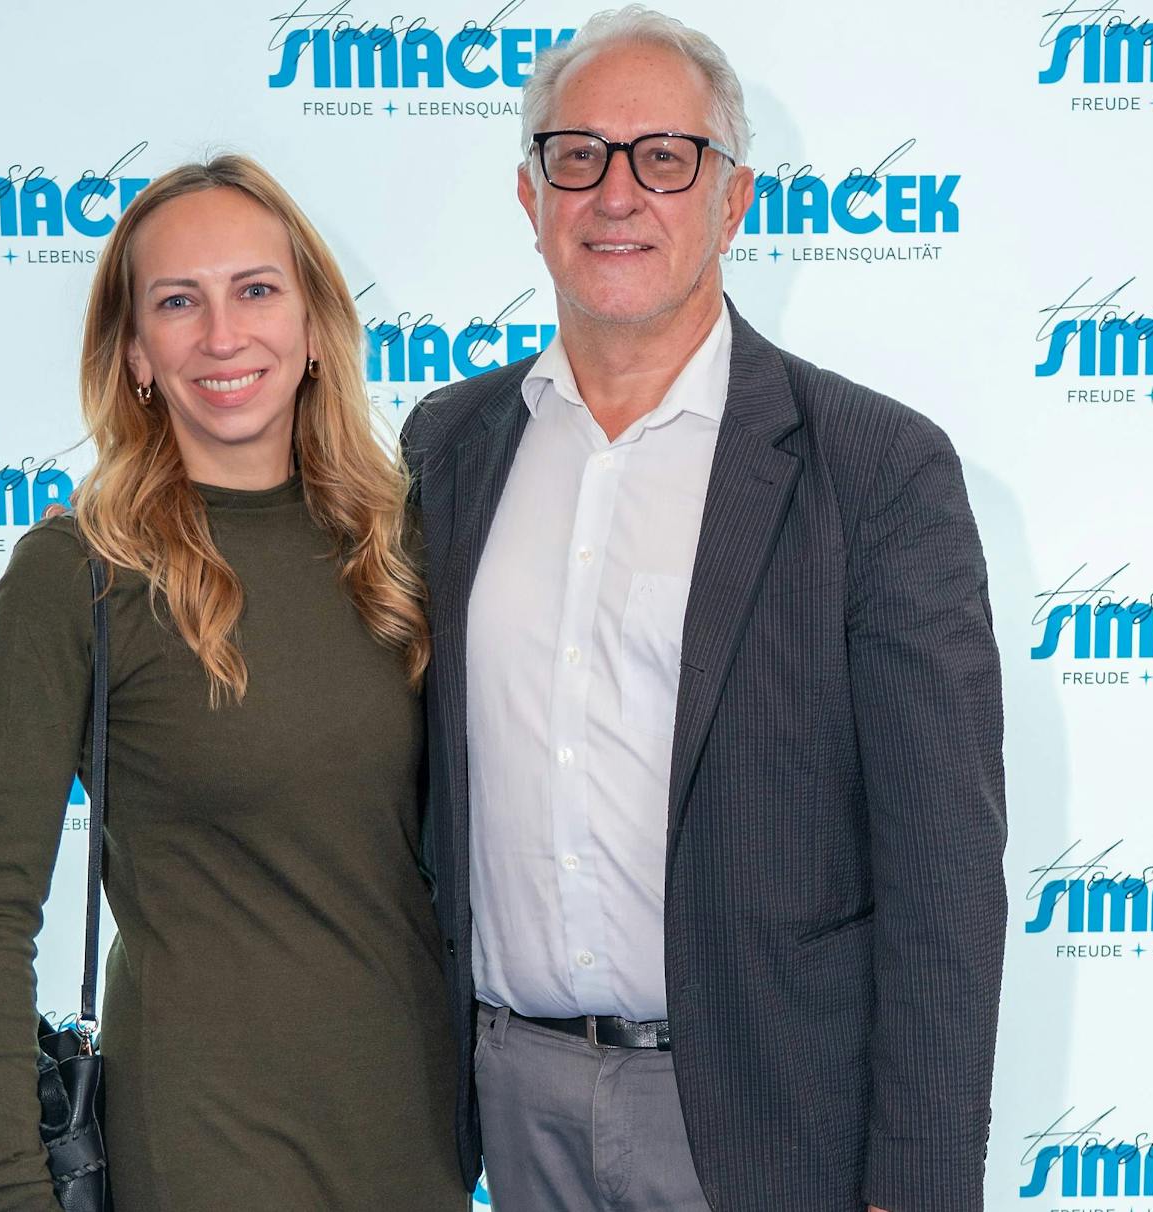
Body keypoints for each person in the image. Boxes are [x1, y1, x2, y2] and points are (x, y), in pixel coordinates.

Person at [400, 7, 1007, 1211]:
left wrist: (920, 1185)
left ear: (731, 202)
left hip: (767, 1121)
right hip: (506, 1101)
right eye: (576, 155)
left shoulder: (874, 469)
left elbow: (943, 869)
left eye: (663, 157)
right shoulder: (447, 446)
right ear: (530, 197)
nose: (615, 192)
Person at [0, 154, 469, 1210]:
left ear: (314, 325)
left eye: (255, 290)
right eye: (178, 302)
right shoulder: (78, 575)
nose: (223, 336)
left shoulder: (403, 546)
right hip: (199, 1143)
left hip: (413, 1131)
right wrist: (13, 1188)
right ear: (134, 351)